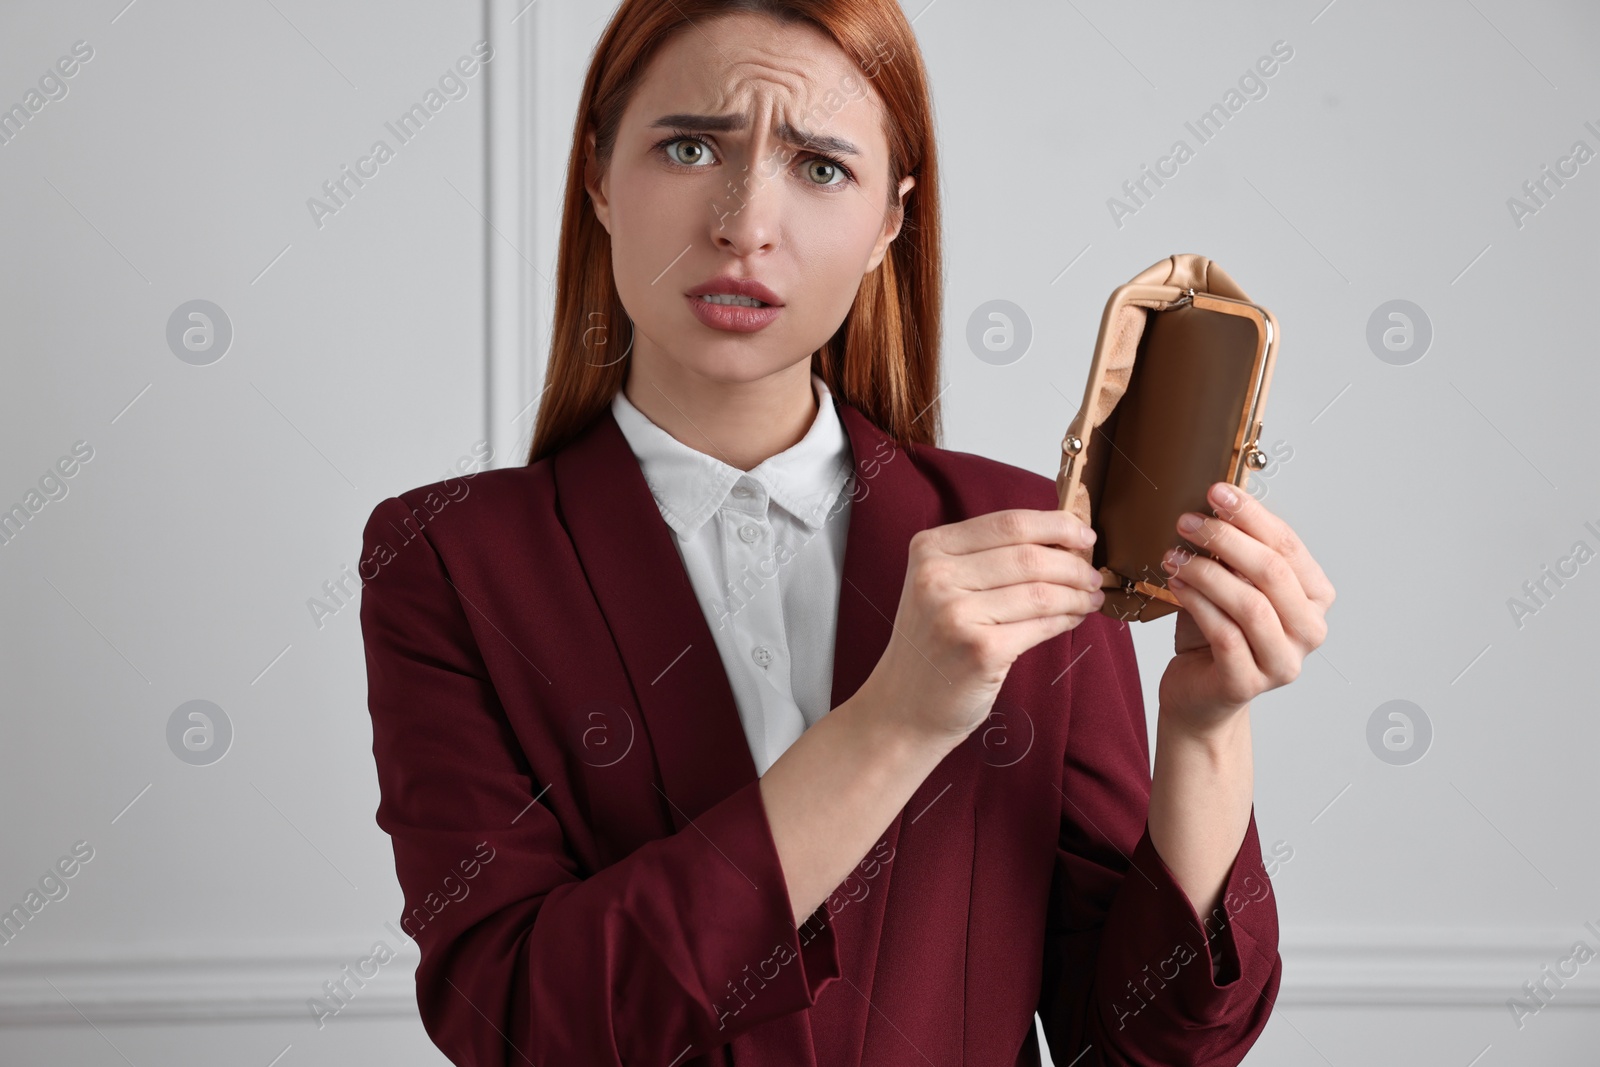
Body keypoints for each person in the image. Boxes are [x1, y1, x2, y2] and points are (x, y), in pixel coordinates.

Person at [357, 2, 1335, 1064]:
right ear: (598, 177)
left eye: (820, 166)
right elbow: (513, 1016)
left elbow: (1146, 1044)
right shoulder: (450, 559)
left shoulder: (1034, 542)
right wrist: (894, 722)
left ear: (888, 222)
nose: (744, 222)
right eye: (690, 146)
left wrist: (1203, 726)